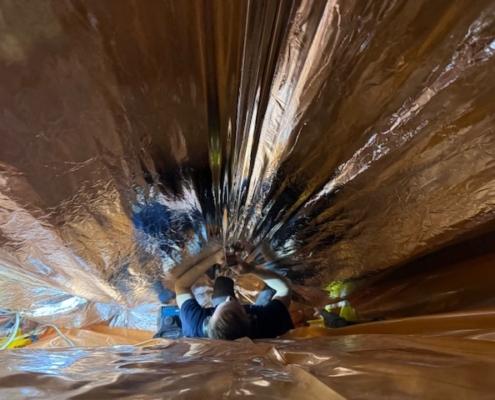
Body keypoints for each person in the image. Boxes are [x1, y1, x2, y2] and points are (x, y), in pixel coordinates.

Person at [173, 244, 294, 340]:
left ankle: (223, 280)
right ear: (250, 317)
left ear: (208, 319)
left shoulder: (194, 325)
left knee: (222, 282)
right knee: (272, 287)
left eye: (220, 307)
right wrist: (253, 270)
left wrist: (213, 259)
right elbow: (284, 288)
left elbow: (181, 286)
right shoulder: (267, 324)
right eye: (232, 301)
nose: (229, 298)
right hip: (260, 325)